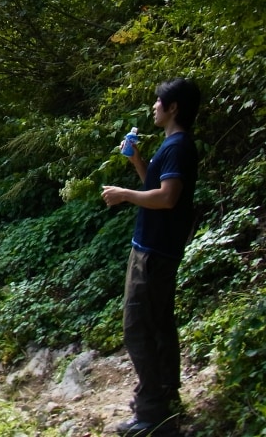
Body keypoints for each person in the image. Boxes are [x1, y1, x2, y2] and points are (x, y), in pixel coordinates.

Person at [101, 78, 201, 437]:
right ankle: (165, 395)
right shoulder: (173, 145)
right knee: (158, 324)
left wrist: (124, 194)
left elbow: (167, 198)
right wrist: (137, 161)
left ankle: (151, 415)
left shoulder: (178, 147)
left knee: (138, 328)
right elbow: (156, 189)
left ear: (173, 108)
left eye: (158, 102)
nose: (153, 107)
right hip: (156, 247)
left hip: (153, 251)